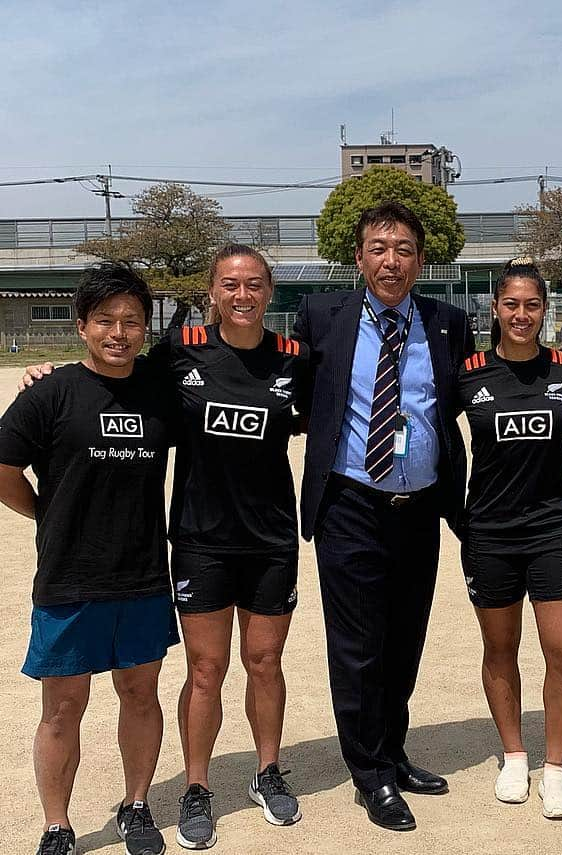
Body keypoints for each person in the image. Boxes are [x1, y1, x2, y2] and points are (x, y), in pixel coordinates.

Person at [21, 246, 312, 849]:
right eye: (229, 284)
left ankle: (267, 770)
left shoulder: (297, 360)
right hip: (200, 541)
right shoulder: (176, 358)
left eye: (254, 284)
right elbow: (104, 377)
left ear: (269, 291)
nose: (242, 295)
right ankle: (196, 788)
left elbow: (333, 416)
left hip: (270, 541)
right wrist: (45, 375)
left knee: (264, 663)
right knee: (205, 669)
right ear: (211, 293)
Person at [292, 201, 474, 832]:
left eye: (403, 249)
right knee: (357, 646)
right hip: (350, 504)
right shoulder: (321, 317)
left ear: (421, 259)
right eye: (378, 247)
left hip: (418, 507)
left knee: (404, 638)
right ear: (359, 257)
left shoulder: (449, 323)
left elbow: (463, 400)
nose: (390, 260)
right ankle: (369, 773)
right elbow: (266, 368)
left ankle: (393, 751)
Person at [0, 263, 177, 855]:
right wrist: (43, 513)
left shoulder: (159, 387)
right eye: (105, 321)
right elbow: (3, 468)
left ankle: (136, 805)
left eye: (131, 321)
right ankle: (58, 825)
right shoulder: (49, 392)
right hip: (70, 579)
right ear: (82, 326)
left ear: (145, 328)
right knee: (62, 708)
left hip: (144, 575)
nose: (119, 332)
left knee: (140, 695)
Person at [454, 258, 562, 819]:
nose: (522, 315)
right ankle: (513, 754)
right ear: (495, 309)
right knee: (500, 650)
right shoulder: (469, 372)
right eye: (512, 304)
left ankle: (554, 768)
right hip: (489, 531)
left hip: (553, 527)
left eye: (533, 305)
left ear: (545, 311)